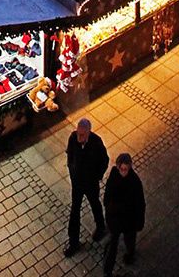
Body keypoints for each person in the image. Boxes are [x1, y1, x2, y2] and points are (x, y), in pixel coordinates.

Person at [63, 118, 107, 256]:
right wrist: (72, 171)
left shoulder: (96, 142)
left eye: (82, 135)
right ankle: (73, 242)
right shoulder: (73, 138)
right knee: (75, 211)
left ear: (89, 132)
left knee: (95, 203)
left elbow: (104, 161)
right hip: (77, 183)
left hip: (90, 183)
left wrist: (97, 176)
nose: (79, 137)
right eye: (78, 134)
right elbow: (69, 156)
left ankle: (101, 227)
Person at [102, 152, 146, 276]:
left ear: (130, 167)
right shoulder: (114, 174)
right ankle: (107, 271)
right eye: (121, 169)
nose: (123, 172)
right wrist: (107, 205)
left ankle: (130, 254)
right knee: (113, 245)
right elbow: (108, 191)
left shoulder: (135, 182)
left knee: (129, 239)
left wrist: (139, 223)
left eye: (125, 169)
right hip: (116, 219)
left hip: (128, 220)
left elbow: (140, 204)